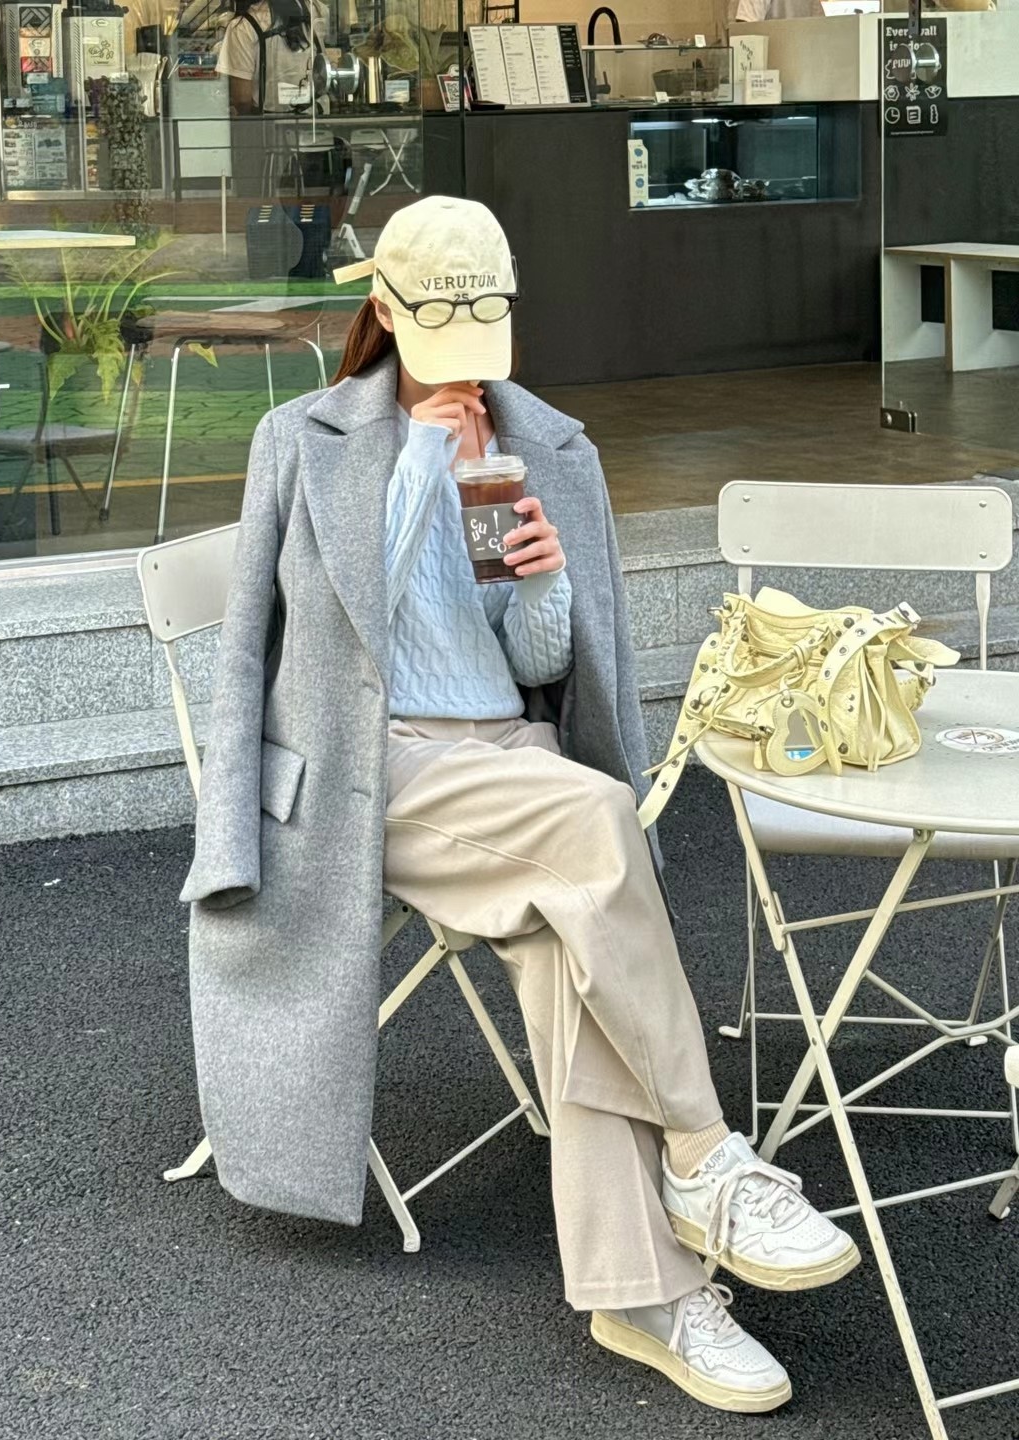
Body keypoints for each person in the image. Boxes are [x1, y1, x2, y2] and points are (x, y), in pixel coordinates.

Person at [181, 194, 860, 1416]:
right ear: (384, 310)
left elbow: (536, 661)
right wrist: (417, 471)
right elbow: (295, 641)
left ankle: (644, 1297)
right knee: (595, 821)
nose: (465, 375)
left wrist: (541, 584)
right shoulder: (303, 439)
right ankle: (704, 1153)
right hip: (374, 771)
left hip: (506, 758)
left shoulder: (535, 444)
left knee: (562, 944)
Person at [215, 0, 324, 114]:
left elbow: (242, 99)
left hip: (266, 121)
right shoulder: (315, 10)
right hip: (312, 118)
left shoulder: (243, 27)